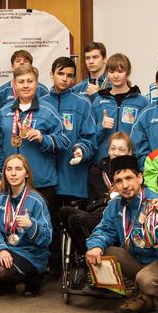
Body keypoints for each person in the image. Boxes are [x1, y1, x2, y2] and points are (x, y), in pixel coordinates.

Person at [85, 155, 158, 313]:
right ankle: (143, 297)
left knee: (145, 278)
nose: (125, 185)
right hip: (140, 260)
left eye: (129, 178)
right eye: (119, 181)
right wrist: (95, 246)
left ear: (140, 178)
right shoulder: (115, 205)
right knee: (104, 251)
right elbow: (104, 229)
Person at [43, 57, 97, 271]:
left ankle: (80, 264)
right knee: (49, 224)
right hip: (47, 177)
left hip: (72, 176)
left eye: (70, 75)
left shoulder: (82, 103)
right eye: (61, 74)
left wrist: (82, 150)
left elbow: (90, 138)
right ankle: (54, 266)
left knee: (74, 223)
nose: (65, 79)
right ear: (52, 74)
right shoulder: (41, 102)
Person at [0, 64, 68, 211]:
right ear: (14, 85)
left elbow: (64, 141)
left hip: (41, 183)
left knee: (45, 224)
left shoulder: (48, 110)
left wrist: (43, 138)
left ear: (36, 84)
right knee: (13, 223)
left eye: (30, 81)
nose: (26, 85)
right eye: (21, 82)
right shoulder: (4, 111)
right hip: (13, 183)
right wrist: (1, 176)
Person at [0, 154, 53, 297]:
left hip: (31, 253)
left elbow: (47, 238)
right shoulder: (1, 198)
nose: (13, 173)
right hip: (9, 248)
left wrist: (31, 225)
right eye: (9, 169)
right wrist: (1, 249)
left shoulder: (37, 200)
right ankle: (7, 286)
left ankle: (34, 279)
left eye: (18, 169)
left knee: (1, 272)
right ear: (4, 173)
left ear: (26, 173)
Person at [60, 132, 134, 257]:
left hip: (121, 215)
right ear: (108, 150)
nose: (116, 153)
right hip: (99, 212)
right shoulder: (97, 170)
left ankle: (89, 258)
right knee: (63, 211)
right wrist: (107, 199)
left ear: (129, 152)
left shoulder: (133, 172)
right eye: (113, 148)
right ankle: (88, 256)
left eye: (121, 150)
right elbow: (91, 204)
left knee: (75, 220)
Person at [92, 53, 148, 160]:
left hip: (130, 162)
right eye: (112, 72)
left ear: (128, 72)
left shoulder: (141, 102)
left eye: (120, 71)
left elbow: (146, 137)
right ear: (107, 73)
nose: (116, 75)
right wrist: (101, 126)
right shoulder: (99, 101)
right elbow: (89, 138)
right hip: (103, 162)